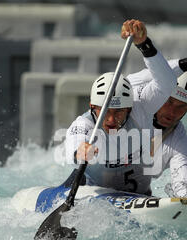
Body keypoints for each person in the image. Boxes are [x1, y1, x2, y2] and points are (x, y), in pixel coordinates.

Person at [65, 19, 177, 196]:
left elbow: (167, 83)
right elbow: (74, 144)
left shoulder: (140, 109)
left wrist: (144, 45)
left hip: (136, 194)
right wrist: (80, 151)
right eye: (104, 112)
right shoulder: (83, 125)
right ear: (92, 107)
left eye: (118, 112)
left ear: (129, 109)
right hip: (90, 192)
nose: (111, 120)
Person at [127, 45, 187, 199]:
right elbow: (158, 71)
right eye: (168, 102)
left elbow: (183, 185)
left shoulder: (180, 144)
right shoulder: (133, 97)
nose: (172, 112)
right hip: (92, 178)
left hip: (134, 194)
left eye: (181, 106)